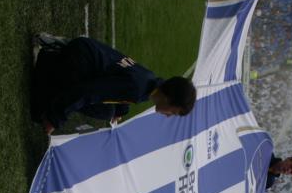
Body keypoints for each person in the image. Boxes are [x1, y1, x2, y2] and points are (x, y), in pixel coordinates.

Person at [30, 34, 197, 134]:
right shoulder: (137, 89)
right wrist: (54, 119)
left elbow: (118, 83)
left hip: (84, 50)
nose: (168, 115)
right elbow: (89, 92)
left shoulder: (150, 82)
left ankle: (56, 58)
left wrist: (121, 111)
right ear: (168, 99)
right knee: (39, 111)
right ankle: (49, 59)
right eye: (173, 112)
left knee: (111, 110)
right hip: (78, 60)